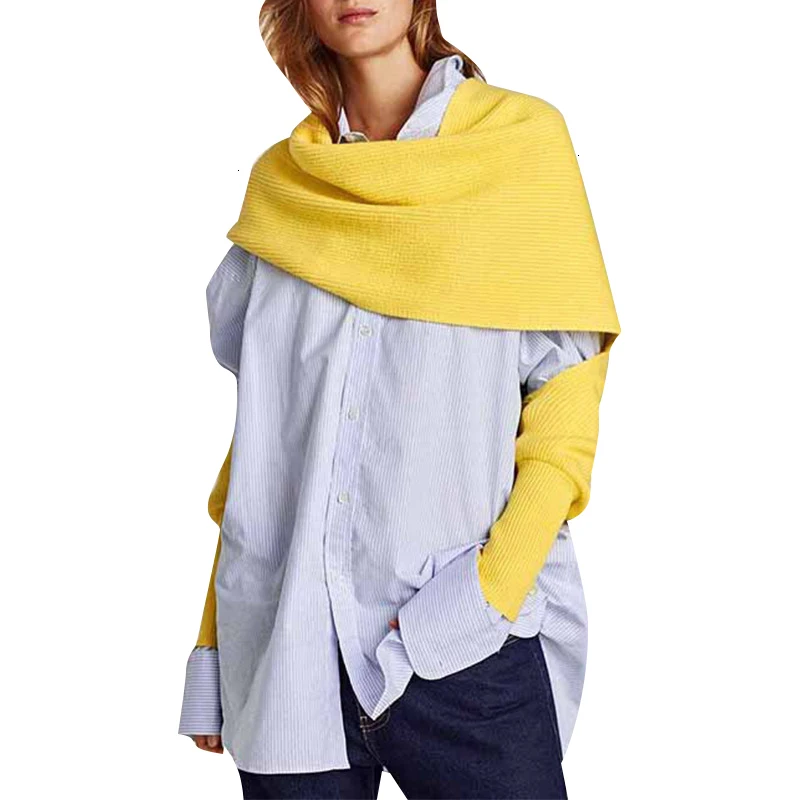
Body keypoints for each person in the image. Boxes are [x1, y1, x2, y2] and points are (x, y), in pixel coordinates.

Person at [177, 2, 621, 798]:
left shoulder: (516, 147)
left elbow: (566, 405)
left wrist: (486, 595)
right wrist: (214, 640)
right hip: (288, 653)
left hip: (458, 641)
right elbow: (266, 439)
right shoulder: (284, 190)